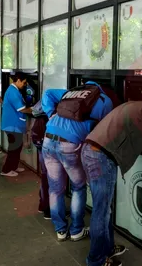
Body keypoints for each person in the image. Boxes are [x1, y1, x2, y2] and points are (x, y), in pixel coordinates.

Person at [82, 95, 142, 266]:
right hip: (101, 158)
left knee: (105, 210)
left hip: (93, 152)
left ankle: (107, 249)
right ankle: (96, 261)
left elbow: (134, 132)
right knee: (102, 212)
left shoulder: (134, 106)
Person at [41, 81, 113, 242]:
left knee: (55, 189)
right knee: (78, 187)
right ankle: (76, 230)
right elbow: (105, 129)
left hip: (48, 138)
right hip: (70, 144)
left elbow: (47, 93)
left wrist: (51, 114)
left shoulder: (71, 92)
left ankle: (60, 230)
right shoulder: (104, 100)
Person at [1, 73, 31, 177]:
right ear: (18, 80)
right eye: (23, 82)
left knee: (18, 146)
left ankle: (13, 166)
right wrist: (34, 111)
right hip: (12, 125)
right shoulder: (13, 92)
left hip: (14, 124)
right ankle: (6, 170)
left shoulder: (14, 90)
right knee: (14, 147)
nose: (24, 85)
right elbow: (21, 109)